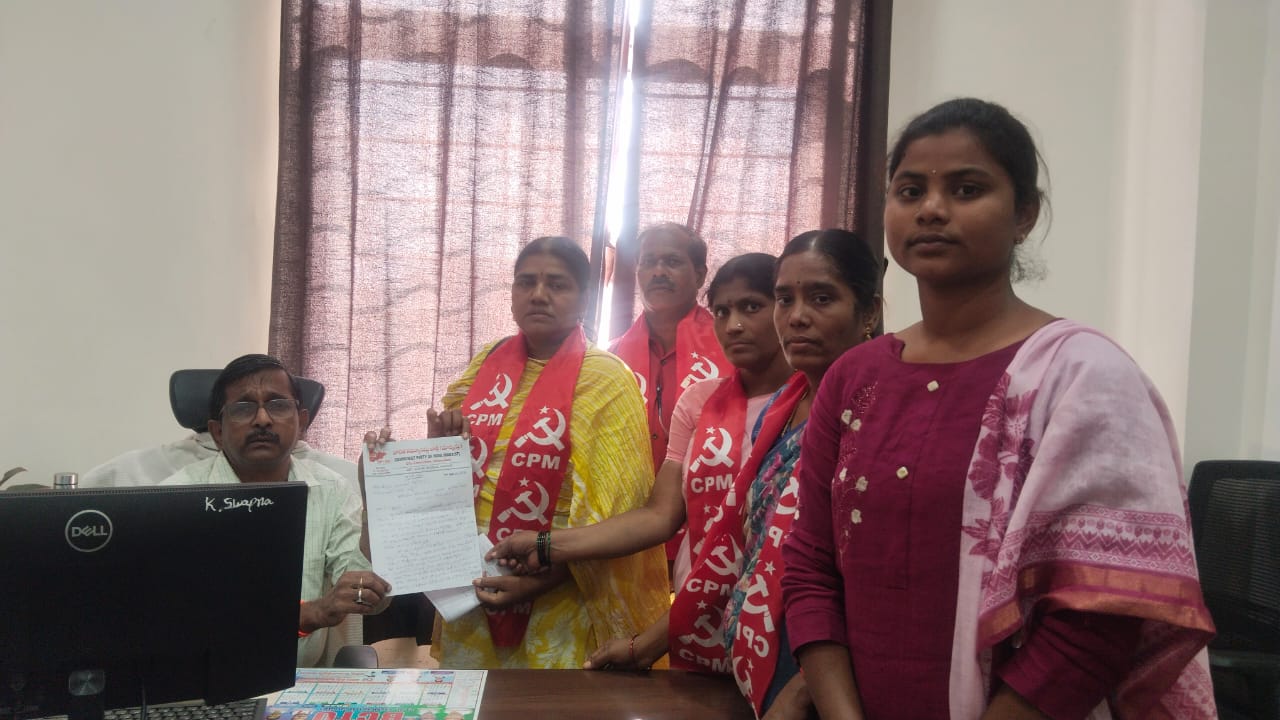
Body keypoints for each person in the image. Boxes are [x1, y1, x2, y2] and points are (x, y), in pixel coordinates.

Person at [781, 98, 1216, 719]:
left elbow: (1102, 612)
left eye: (966, 189)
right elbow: (811, 566)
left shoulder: (1083, 375)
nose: (931, 209)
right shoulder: (853, 377)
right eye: (910, 190)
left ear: (1024, 214)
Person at [376, 236, 669, 669]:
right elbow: (463, 475)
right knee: (473, 699)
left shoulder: (606, 379)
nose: (538, 294)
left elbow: (618, 508)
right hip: (472, 588)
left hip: (563, 595)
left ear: (585, 299)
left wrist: (544, 578)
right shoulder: (485, 364)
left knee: (544, 701)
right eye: (526, 282)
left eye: (557, 284)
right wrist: (436, 450)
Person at [486, 252, 795, 662]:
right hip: (701, 616)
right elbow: (659, 516)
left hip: (787, 617)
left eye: (751, 307)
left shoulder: (815, 403)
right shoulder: (699, 401)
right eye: (721, 311)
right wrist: (545, 545)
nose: (733, 325)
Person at [668, 231, 881, 719]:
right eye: (785, 299)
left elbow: (882, 576)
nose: (797, 316)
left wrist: (806, 688)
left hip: (835, 679)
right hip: (761, 659)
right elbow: (750, 542)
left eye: (821, 298)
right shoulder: (783, 408)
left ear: (868, 312)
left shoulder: (881, 409)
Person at [161, 353, 391, 668]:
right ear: (217, 432)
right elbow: (180, 618)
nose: (262, 420)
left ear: (302, 422)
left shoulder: (332, 490)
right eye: (243, 408)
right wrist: (311, 613)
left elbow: (369, 598)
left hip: (300, 682)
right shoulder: (176, 498)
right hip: (202, 680)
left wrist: (377, 506)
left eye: (278, 405)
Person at [611, 225, 730, 559]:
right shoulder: (611, 357)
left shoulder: (733, 348)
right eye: (648, 261)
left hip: (713, 535)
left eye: (672, 261)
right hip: (625, 535)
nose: (658, 271)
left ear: (700, 274)